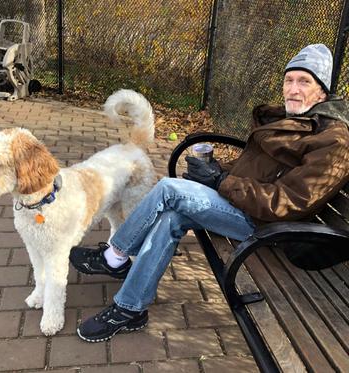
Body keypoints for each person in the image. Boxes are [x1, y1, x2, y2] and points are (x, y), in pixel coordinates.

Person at [69, 44, 349, 343]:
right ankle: (130, 308)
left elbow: (288, 203)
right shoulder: (294, 118)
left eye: (304, 82)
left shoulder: (334, 141)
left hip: (272, 228)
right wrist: (218, 170)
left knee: (168, 189)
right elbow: (255, 167)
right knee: (173, 216)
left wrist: (220, 182)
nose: (292, 89)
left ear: (322, 91)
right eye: (289, 80)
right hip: (248, 207)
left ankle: (115, 255)